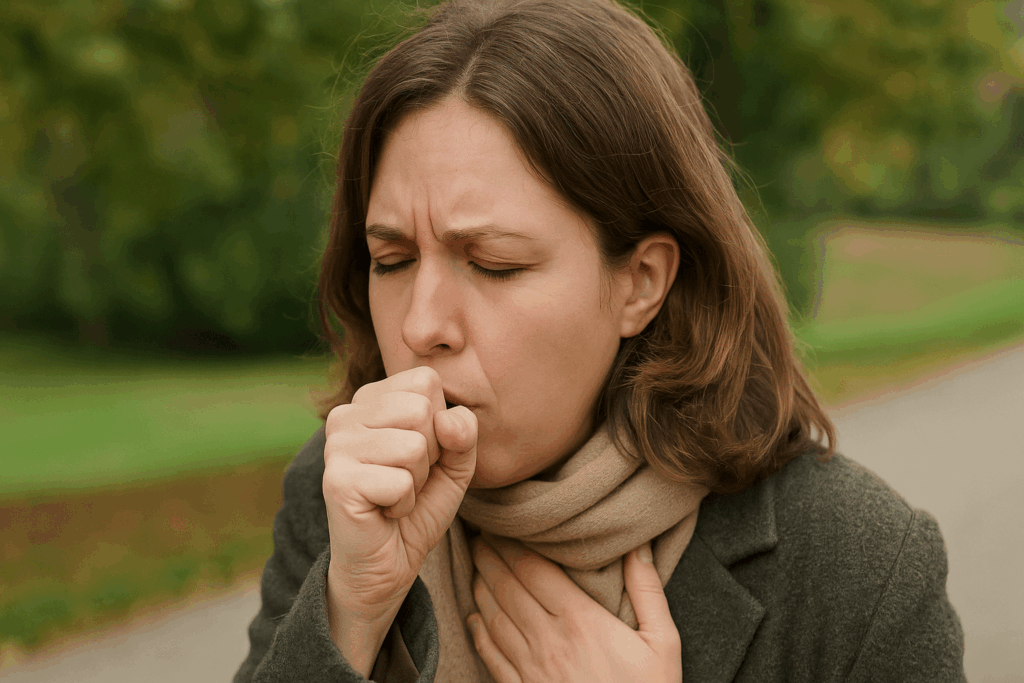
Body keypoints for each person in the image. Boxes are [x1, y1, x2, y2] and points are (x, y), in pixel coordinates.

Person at [234, 0, 966, 681]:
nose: (422, 324)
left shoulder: (858, 566)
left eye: (495, 263)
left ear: (640, 282)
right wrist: (350, 610)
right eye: (391, 260)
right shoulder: (340, 496)